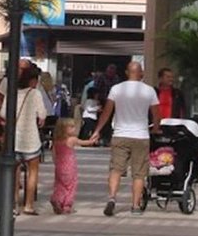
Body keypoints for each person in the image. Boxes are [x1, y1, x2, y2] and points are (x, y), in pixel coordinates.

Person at [86, 61, 160, 217]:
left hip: (120, 134)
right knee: (139, 173)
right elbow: (156, 114)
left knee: (116, 169)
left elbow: (107, 112)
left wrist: (97, 130)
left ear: (127, 73)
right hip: (141, 136)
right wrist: (155, 129)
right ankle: (135, 206)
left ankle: (112, 198)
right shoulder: (149, 91)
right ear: (142, 73)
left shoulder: (116, 89)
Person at [8, 65, 46, 216]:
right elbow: (42, 114)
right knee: (32, 172)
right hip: (31, 139)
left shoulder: (13, 92)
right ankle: (29, 204)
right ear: (33, 80)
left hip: (14, 139)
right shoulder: (35, 94)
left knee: (14, 172)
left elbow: (4, 113)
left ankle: (13, 204)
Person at [49, 117, 87, 214]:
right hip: (70, 167)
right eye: (72, 127)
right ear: (64, 129)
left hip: (59, 167)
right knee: (70, 185)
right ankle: (67, 205)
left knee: (59, 184)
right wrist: (92, 140)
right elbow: (84, 143)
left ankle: (56, 198)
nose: (74, 129)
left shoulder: (56, 141)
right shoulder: (72, 140)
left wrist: (56, 163)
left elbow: (53, 154)